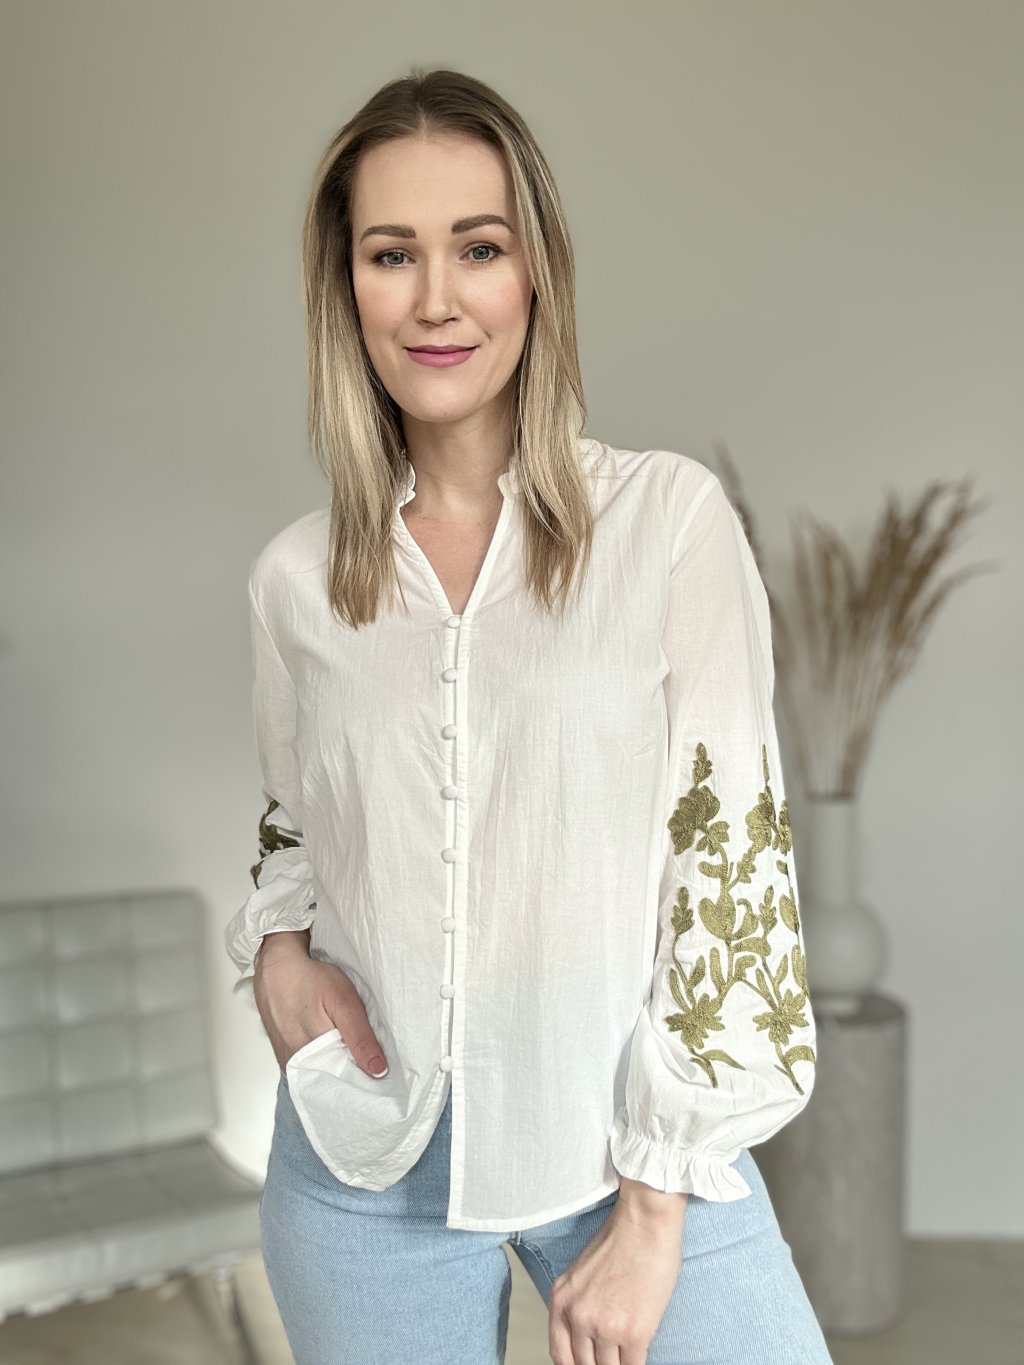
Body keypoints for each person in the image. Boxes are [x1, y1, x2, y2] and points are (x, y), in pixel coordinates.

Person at [224, 66, 833, 1365]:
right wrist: (275, 950)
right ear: (346, 288)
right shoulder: (294, 580)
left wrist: (655, 1210)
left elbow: (732, 864)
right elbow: (297, 819)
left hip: (623, 1149)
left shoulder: (667, 525)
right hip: (362, 1161)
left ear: (537, 273)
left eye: (479, 248)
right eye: (391, 254)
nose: (436, 299)